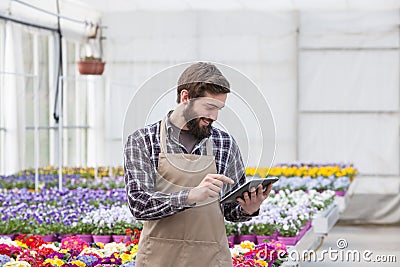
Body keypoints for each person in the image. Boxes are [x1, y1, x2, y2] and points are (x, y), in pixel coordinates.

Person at [124, 62, 273, 267]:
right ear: (185, 98)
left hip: (211, 259)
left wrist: (248, 208)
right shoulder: (143, 140)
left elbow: (230, 210)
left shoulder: (225, 144)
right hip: (158, 259)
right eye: (209, 107)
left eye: (219, 109)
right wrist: (191, 195)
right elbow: (139, 205)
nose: (214, 116)